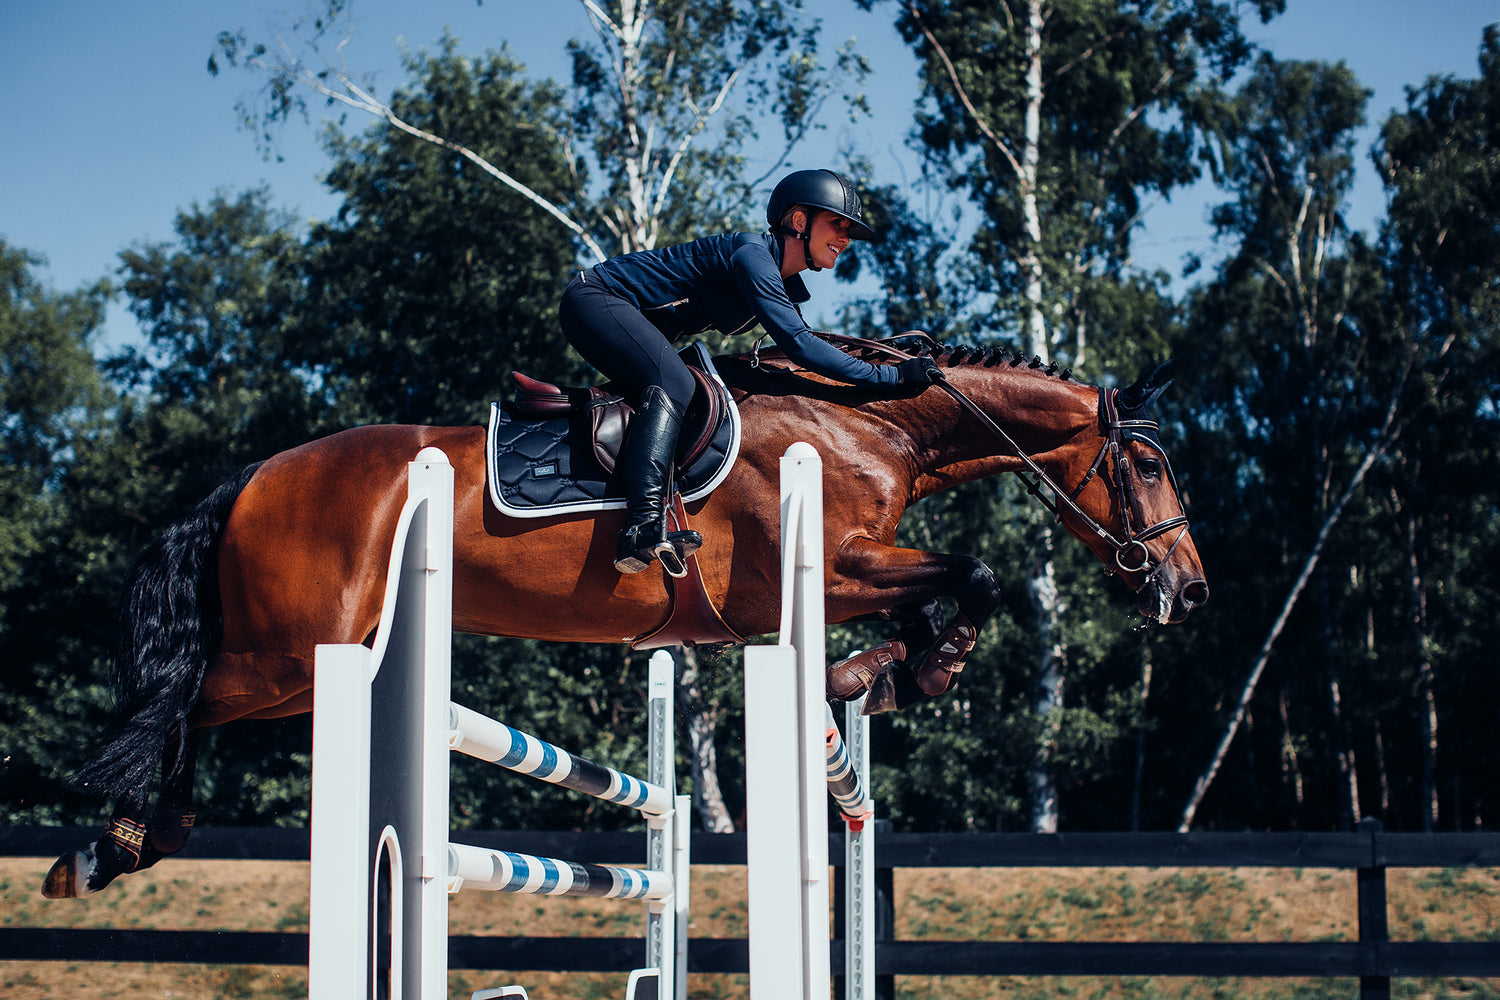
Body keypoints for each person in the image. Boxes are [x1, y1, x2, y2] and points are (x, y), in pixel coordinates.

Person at [559, 168, 940, 575]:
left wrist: (888, 361)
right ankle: (640, 526)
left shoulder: (774, 275)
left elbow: (808, 345)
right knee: (675, 382)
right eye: (837, 225)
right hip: (594, 298)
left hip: (620, 314)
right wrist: (893, 378)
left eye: (848, 231)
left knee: (691, 388)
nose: (845, 239)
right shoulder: (752, 255)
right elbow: (802, 345)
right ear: (799, 222)